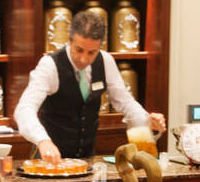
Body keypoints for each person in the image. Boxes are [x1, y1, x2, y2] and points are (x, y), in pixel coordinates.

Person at [14, 10, 166, 162]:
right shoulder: (50, 65)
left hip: (87, 158)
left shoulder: (105, 61)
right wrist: (42, 140)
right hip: (49, 159)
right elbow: (24, 109)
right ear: (70, 40)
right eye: (79, 50)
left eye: (91, 52)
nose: (83, 59)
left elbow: (125, 102)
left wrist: (147, 120)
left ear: (100, 46)